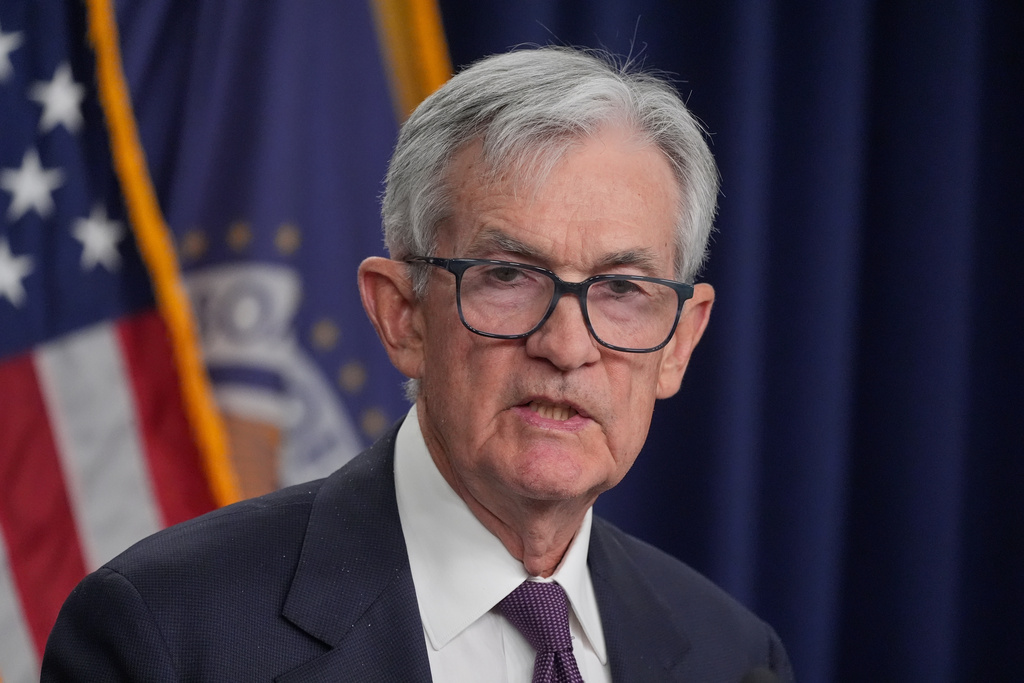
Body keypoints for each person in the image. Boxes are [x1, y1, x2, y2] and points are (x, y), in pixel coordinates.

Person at [42, 46, 793, 682]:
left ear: (680, 342)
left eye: (622, 289)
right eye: (508, 275)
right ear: (402, 315)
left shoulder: (733, 657)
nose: (567, 347)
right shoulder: (165, 634)